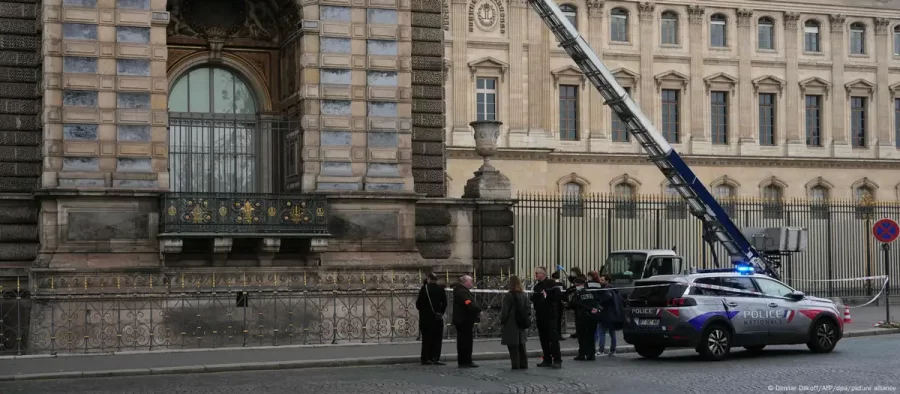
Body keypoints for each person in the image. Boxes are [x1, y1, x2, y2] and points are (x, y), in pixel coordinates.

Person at [531, 266, 564, 369]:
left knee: (553, 339)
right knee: (543, 339)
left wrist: (547, 297)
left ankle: (557, 360)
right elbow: (534, 298)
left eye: (537, 273)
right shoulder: (537, 286)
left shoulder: (551, 283)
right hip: (541, 315)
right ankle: (547, 359)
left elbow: (557, 296)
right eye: (535, 273)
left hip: (550, 315)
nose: (535, 275)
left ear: (543, 274)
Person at [416, 272, 447, 365]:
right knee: (437, 339)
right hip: (437, 318)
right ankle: (435, 358)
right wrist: (440, 312)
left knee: (426, 339)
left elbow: (418, 305)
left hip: (426, 319)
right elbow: (445, 304)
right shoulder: (441, 289)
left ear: (428, 278)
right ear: (436, 280)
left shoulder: (424, 289)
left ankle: (425, 358)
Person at [500, 275, 530, 370]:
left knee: (513, 345)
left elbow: (505, 311)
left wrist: (502, 320)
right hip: (521, 321)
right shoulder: (524, 294)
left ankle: (515, 364)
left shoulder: (509, 295)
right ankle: (524, 363)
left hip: (511, 322)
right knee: (522, 344)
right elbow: (528, 309)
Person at [452, 275, 482, 368]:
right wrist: (477, 309)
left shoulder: (462, 290)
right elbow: (468, 302)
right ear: (465, 282)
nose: (472, 283)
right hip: (464, 320)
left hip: (464, 320)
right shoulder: (461, 292)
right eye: (471, 281)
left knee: (465, 341)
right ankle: (466, 361)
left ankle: (465, 360)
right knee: (465, 342)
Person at [570, 276, 600, 361]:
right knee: (590, 337)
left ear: (578, 284)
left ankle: (582, 354)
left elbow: (573, 304)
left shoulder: (578, 293)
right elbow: (595, 303)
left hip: (582, 317)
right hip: (592, 317)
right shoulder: (590, 292)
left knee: (582, 337)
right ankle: (591, 354)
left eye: (575, 284)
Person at [596, 274, 624, 356]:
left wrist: (599, 303)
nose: (600, 281)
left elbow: (607, 297)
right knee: (612, 333)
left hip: (606, 313)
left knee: (601, 332)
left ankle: (601, 350)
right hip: (613, 314)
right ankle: (613, 350)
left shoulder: (606, 289)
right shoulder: (614, 289)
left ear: (607, 281)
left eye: (602, 280)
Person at [551, 271, 566, 341]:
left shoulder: (551, 284)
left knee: (552, 320)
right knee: (559, 320)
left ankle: (553, 334)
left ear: (552, 277)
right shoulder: (562, 284)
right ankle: (559, 334)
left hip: (552, 304)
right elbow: (565, 294)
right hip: (560, 304)